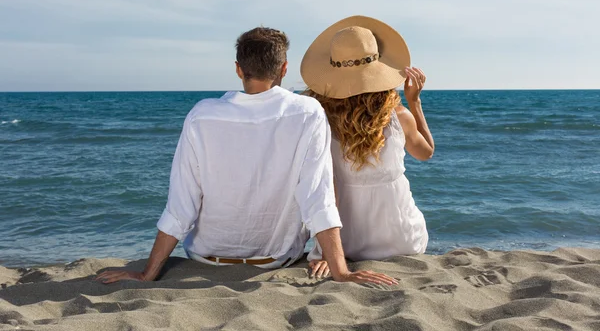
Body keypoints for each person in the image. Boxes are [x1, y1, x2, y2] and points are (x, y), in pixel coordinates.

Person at [97, 27, 397, 285]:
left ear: (239, 69)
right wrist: (340, 271)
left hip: (206, 259)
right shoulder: (307, 113)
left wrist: (148, 273)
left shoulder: (201, 115)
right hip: (273, 261)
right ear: (283, 69)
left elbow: (181, 205)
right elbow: (318, 198)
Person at [301, 16, 434, 262]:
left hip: (347, 242)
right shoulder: (399, 117)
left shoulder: (321, 120)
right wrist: (414, 101)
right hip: (403, 239)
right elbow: (426, 153)